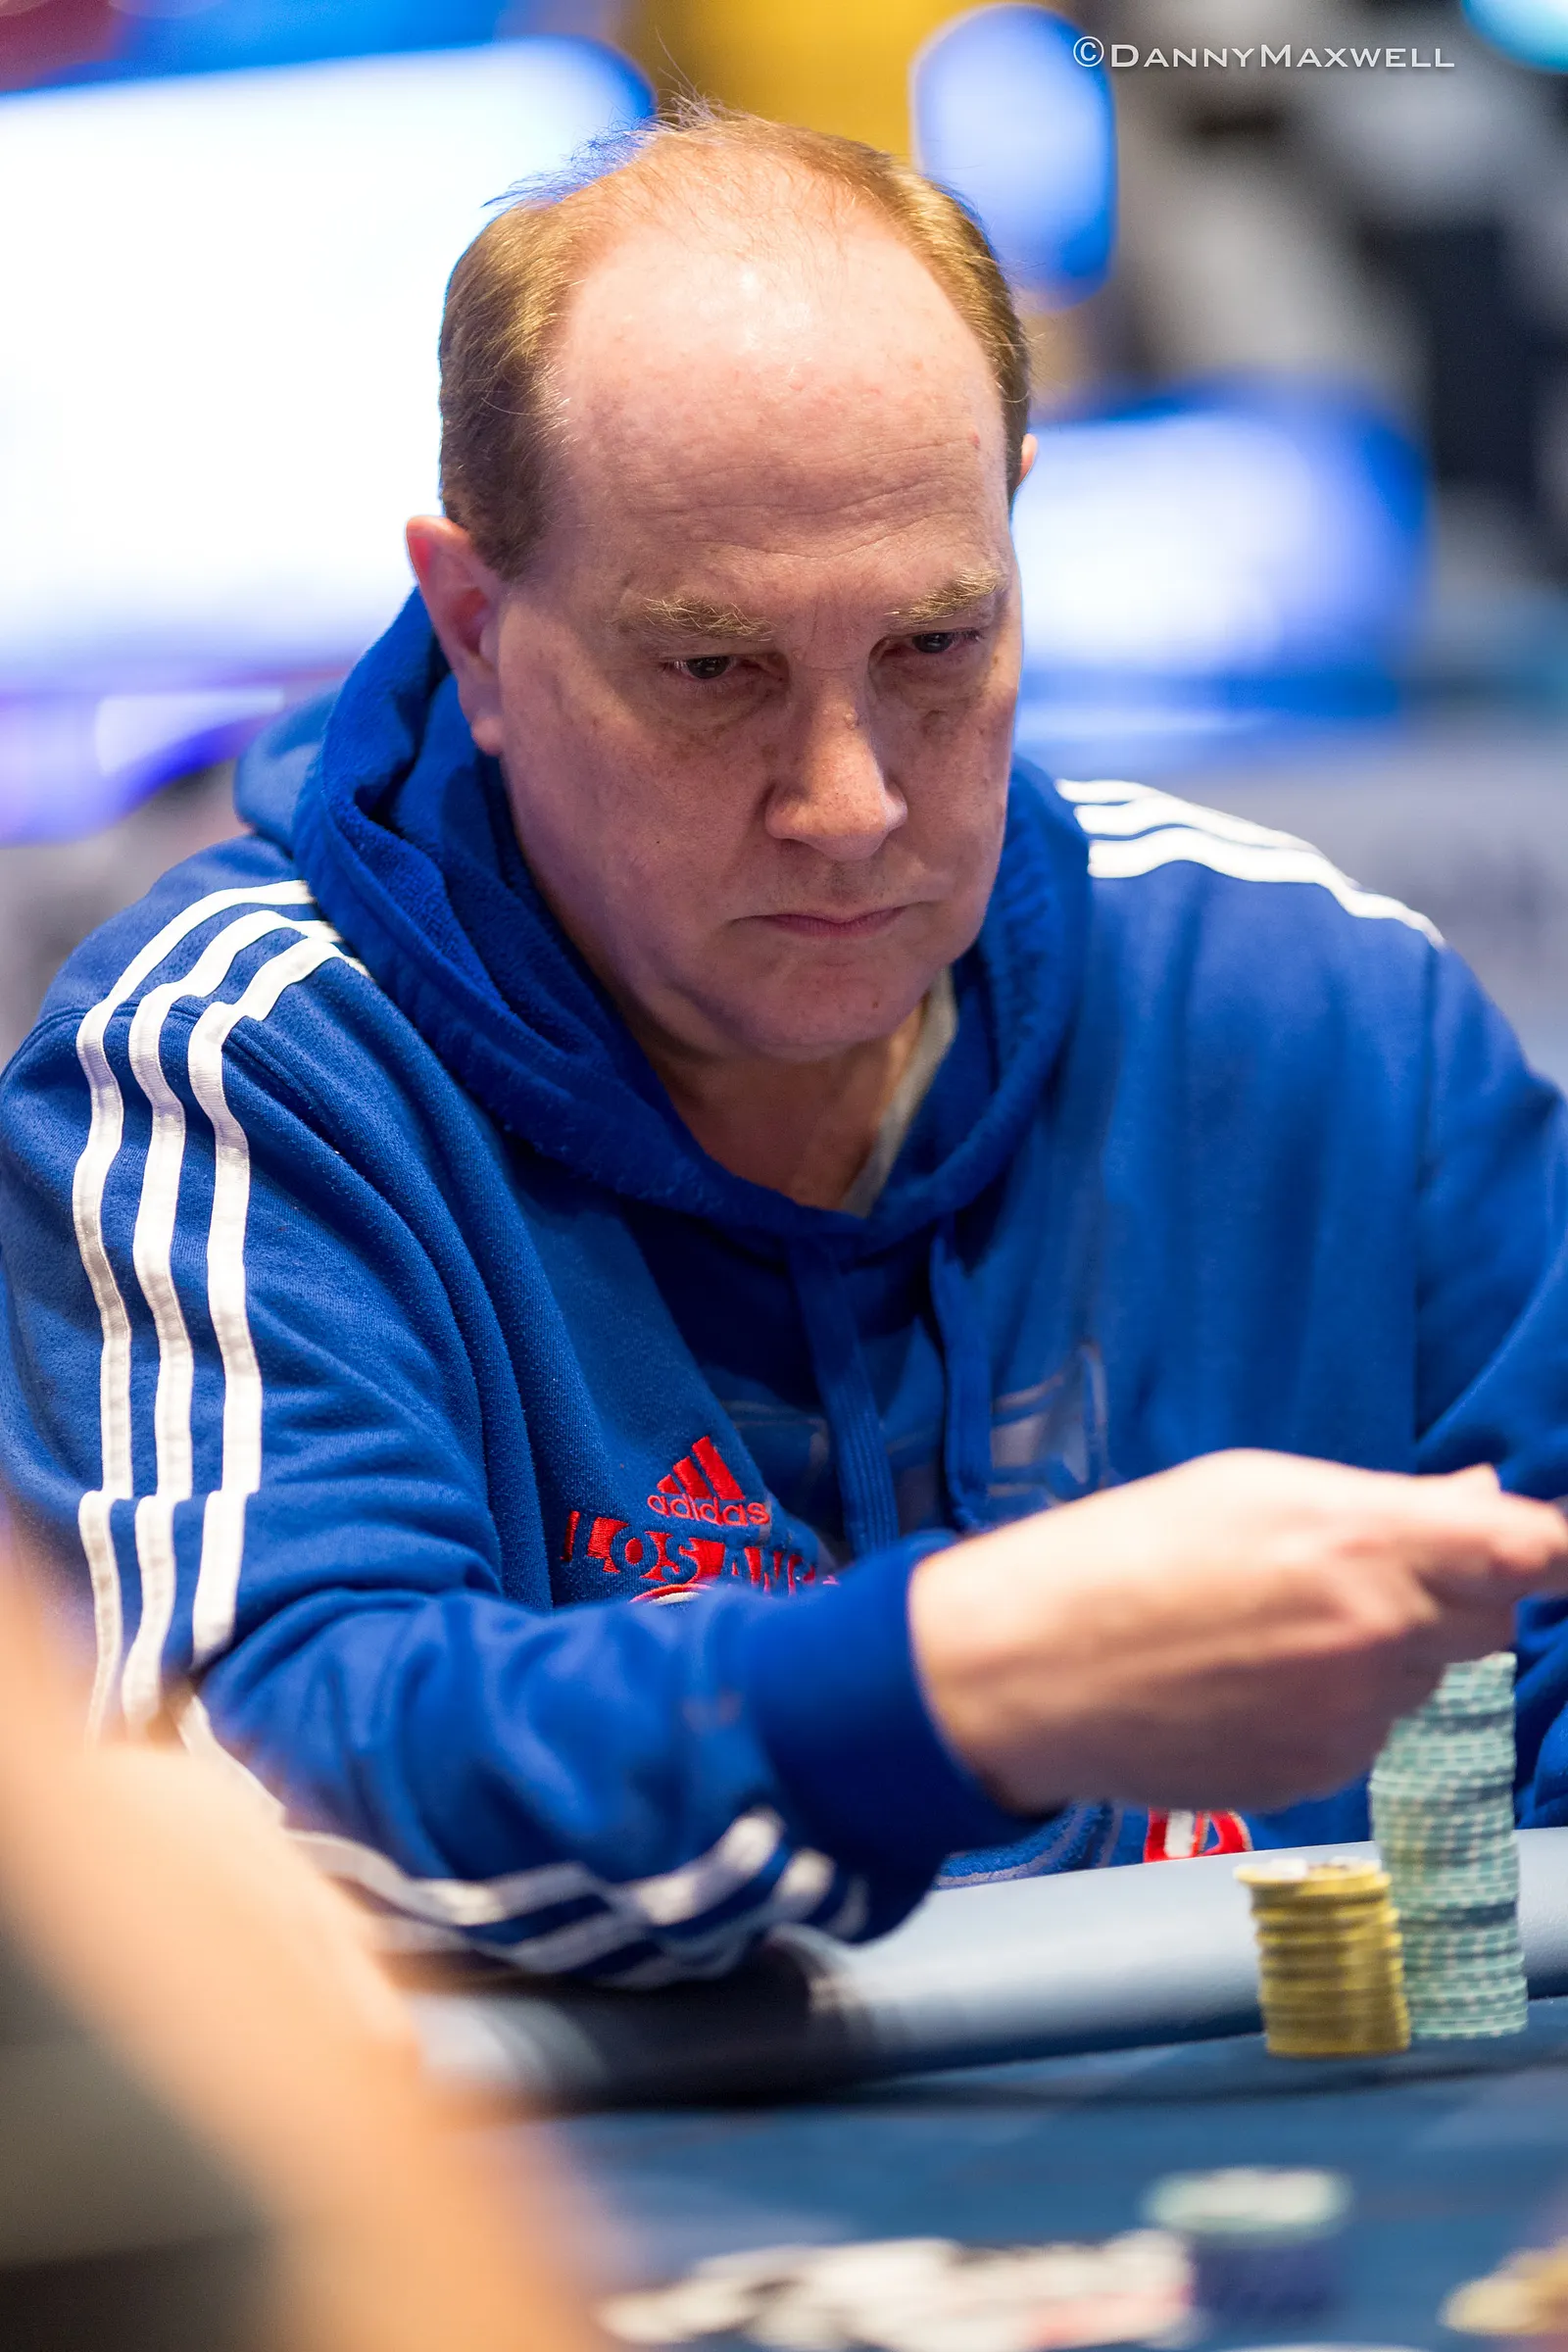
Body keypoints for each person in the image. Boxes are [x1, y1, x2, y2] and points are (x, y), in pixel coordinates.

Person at [3, 108, 1568, 1984]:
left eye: (934, 645)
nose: (847, 805)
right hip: (579, 2197)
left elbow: (1520, 1737)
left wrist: (1435, 1932)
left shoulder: (1317, 1012)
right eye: (712, 669)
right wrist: (963, 1684)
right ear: (477, 629)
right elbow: (239, 1833)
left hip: (1311, 2163)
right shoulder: (235, 1084)